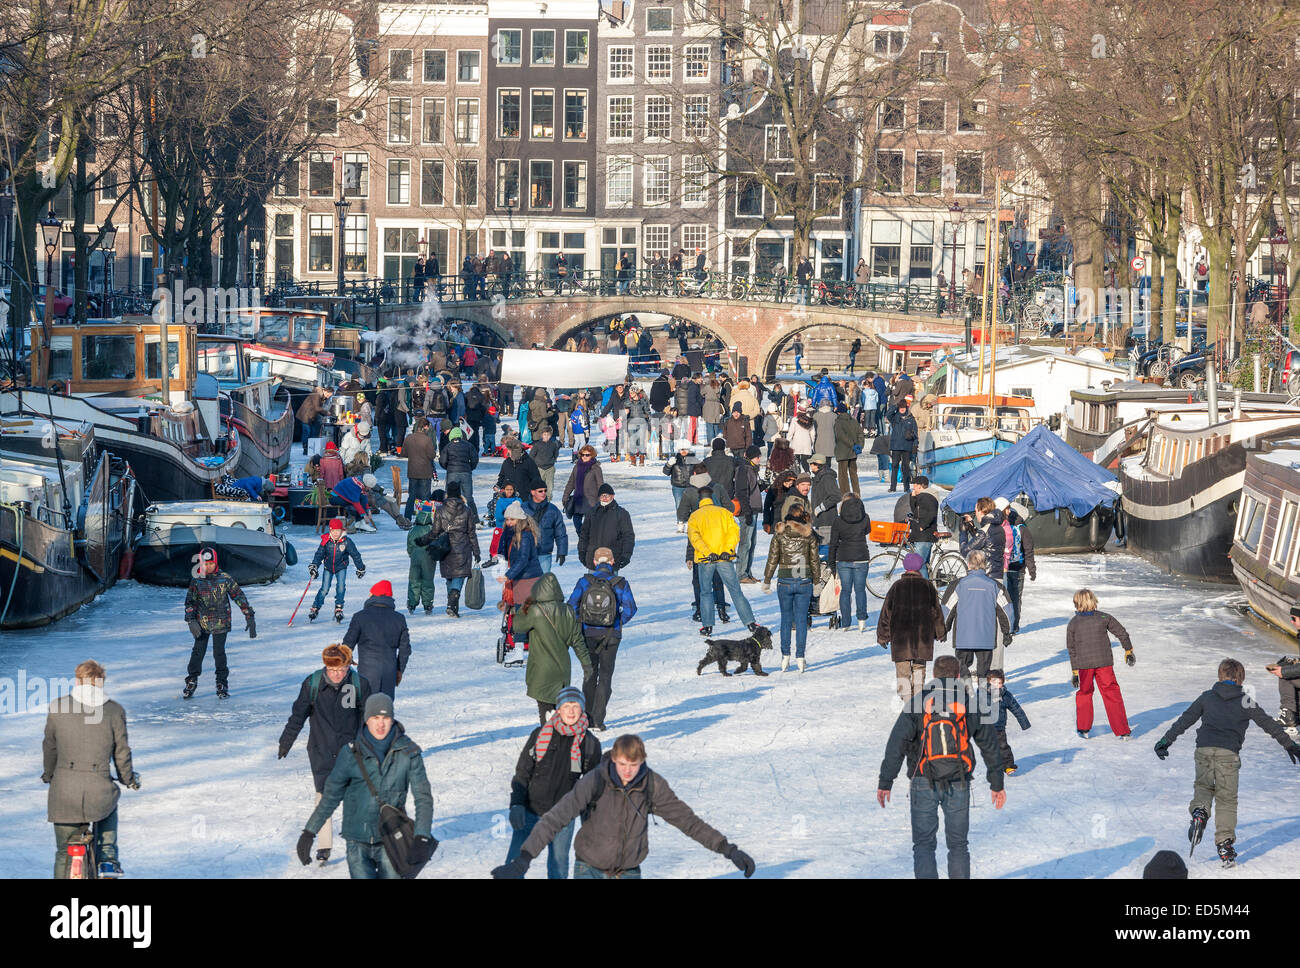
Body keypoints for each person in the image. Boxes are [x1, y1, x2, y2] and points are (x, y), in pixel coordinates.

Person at [492, 733, 755, 879]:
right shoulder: (595, 781)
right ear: (613, 759)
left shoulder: (651, 785)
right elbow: (555, 819)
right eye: (623, 764)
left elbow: (688, 821)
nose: (628, 771)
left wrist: (729, 850)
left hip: (629, 871)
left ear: (642, 761)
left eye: (634, 765)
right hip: (589, 869)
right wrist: (523, 860)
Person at [1156, 657, 1300, 867]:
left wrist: (1165, 740)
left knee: (1203, 787)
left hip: (1203, 750)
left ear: (1220, 676)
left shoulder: (1207, 697)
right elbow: (1269, 724)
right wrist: (1289, 745)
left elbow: (1185, 719)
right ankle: (1224, 844)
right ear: (1241, 679)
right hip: (1228, 756)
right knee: (1226, 800)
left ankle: (1199, 812)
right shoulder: (1245, 700)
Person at [876, 654, 1007, 880]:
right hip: (959, 780)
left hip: (922, 780)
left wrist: (885, 781)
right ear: (958, 675)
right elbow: (989, 745)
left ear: (934, 675)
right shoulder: (970, 703)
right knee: (958, 845)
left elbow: (896, 743)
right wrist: (997, 783)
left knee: (924, 845)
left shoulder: (918, 702)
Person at [298, 693, 435, 880]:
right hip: (357, 842)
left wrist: (422, 835)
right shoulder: (351, 752)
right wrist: (309, 831)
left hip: (392, 839)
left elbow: (423, 797)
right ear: (366, 719)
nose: (380, 724)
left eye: (386, 718)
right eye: (375, 718)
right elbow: (331, 795)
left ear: (392, 718)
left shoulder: (408, 752)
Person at [43, 660, 139, 878]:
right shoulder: (114, 710)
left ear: (77, 681)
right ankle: (107, 859)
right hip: (99, 788)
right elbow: (122, 752)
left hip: (64, 792)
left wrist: (49, 774)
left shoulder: (58, 707)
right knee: (109, 804)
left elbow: (50, 746)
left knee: (64, 852)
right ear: (100, 682)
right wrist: (128, 779)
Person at [278, 644, 371, 866]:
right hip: (320, 749)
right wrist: (286, 740)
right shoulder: (313, 684)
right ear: (326, 666)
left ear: (349, 666)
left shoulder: (359, 684)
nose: (337, 674)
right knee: (324, 795)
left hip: (351, 751)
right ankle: (324, 845)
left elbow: (371, 718)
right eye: (332, 670)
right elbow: (298, 715)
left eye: (342, 669)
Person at [504, 686, 602, 879]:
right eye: (567, 706)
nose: (572, 711)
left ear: (582, 709)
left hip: (563, 817)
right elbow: (523, 772)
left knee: (558, 868)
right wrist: (516, 803)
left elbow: (592, 788)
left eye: (576, 706)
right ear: (559, 709)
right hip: (530, 811)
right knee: (513, 866)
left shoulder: (589, 744)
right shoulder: (540, 734)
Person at [569, 547, 638, 730]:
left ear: (594, 562)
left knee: (589, 675)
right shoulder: (620, 582)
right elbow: (631, 609)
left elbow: (571, 606)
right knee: (606, 676)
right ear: (613, 561)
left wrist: (581, 622)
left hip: (588, 634)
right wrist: (617, 622)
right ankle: (599, 720)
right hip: (611, 636)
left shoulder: (584, 581)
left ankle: (587, 718)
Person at [514, 573, 594, 725]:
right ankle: (558, 738)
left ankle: (549, 742)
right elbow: (577, 641)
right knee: (558, 709)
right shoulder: (569, 611)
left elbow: (517, 626)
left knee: (545, 710)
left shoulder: (535, 611)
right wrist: (586, 664)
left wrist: (522, 608)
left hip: (541, 669)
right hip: (562, 668)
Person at [183, 546, 256, 699]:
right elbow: (190, 602)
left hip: (221, 622)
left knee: (219, 653)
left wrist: (249, 614)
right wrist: (191, 620)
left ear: (215, 563)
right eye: (205, 564)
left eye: (211, 563)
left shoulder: (225, 578)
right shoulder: (196, 580)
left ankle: (221, 683)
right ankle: (192, 680)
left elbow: (238, 596)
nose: (208, 566)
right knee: (198, 652)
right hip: (201, 623)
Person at [688, 485, 760, 637]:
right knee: (735, 591)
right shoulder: (724, 513)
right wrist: (727, 550)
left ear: (700, 499)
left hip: (706, 559)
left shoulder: (695, 516)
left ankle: (707, 626)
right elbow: (734, 532)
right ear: (712, 497)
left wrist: (708, 552)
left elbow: (695, 538)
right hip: (724, 558)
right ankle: (750, 623)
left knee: (706, 592)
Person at [877, 553, 947, 700]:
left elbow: (886, 613)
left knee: (902, 670)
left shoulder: (896, 587)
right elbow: (936, 612)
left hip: (901, 639)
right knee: (919, 669)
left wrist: (883, 636)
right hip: (922, 637)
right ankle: (918, 697)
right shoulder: (928, 587)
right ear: (919, 568)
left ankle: (907, 700)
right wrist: (940, 632)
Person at [1065, 588, 1134, 740]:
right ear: (1094, 601)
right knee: (1112, 693)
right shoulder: (1104, 617)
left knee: (1084, 693)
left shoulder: (1073, 623)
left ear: (1076, 603)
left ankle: (1083, 729)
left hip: (1084, 666)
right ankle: (1123, 730)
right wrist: (1128, 650)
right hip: (1104, 663)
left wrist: (1075, 672)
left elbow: (1072, 649)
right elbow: (1122, 632)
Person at [762, 504, 824, 672]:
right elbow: (814, 561)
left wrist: (767, 579)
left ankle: (785, 656)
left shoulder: (780, 535)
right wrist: (817, 582)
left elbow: (773, 558)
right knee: (802, 620)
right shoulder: (809, 536)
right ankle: (801, 657)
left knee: (786, 619)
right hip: (804, 580)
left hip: (785, 581)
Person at [944, 551, 1012, 688]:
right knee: (984, 673)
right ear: (985, 565)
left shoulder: (958, 585)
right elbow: (1006, 610)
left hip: (963, 637)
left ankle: (967, 695)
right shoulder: (995, 586)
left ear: (968, 564)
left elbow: (947, 609)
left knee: (961, 666)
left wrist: (943, 629)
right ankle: (983, 701)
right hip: (985, 638)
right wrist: (1007, 631)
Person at [415, 480, 480, 616]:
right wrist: (476, 552)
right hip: (462, 547)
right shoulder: (467, 510)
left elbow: (435, 532)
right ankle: (452, 601)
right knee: (459, 576)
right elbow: (471, 533)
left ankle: (451, 603)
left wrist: (423, 540)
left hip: (445, 547)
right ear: (459, 494)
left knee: (450, 575)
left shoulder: (440, 510)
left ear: (448, 494)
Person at [343, 580, 411, 698]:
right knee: (384, 710)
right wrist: (399, 670)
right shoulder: (399, 618)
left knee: (365, 708)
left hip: (366, 671)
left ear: (374, 595)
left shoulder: (360, 616)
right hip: (389, 672)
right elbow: (405, 649)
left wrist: (347, 660)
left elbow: (348, 644)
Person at [828, 493, 873, 632]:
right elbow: (868, 531)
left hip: (843, 557)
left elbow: (833, 543)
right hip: (861, 556)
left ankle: (846, 622)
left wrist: (832, 563)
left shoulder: (838, 520)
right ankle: (861, 620)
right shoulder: (865, 517)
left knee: (845, 591)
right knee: (860, 590)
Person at [309, 518, 366, 623]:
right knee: (324, 589)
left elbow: (355, 555)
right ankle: (315, 607)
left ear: (341, 530)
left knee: (340, 587)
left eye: (338, 531)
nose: (335, 533)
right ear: (330, 531)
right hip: (328, 568)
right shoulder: (326, 541)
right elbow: (319, 554)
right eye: (333, 531)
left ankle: (339, 607)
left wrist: (360, 568)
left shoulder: (347, 542)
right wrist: (314, 566)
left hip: (341, 567)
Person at [981, 669, 1030, 775]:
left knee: (1003, 746)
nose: (996, 685)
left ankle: (1008, 766)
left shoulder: (1006, 695)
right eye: (994, 682)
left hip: (999, 727)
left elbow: (1016, 709)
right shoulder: (982, 694)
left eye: (999, 683)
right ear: (988, 682)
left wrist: (1024, 723)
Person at [578, 483, 635, 572]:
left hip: (612, 560)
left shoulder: (622, 514)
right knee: (592, 585)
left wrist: (626, 555)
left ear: (612, 496)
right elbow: (584, 535)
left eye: (607, 495)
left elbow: (628, 536)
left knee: (611, 585)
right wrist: (582, 552)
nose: (604, 497)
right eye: (602, 495)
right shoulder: (591, 513)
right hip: (593, 560)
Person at [733, 445, 764, 583]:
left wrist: (763, 486)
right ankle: (741, 574)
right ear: (751, 457)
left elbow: (752, 489)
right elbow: (741, 492)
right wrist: (746, 511)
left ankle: (747, 571)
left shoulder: (752, 469)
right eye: (758, 456)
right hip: (748, 510)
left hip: (753, 509)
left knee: (752, 542)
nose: (760, 459)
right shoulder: (744, 469)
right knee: (745, 542)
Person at [1003, 504, 1036, 634]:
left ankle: (1004, 625)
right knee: (1016, 599)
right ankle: (1014, 627)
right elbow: (1029, 551)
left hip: (1004, 568)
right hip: (1018, 569)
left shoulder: (1004, 527)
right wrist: (1032, 571)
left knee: (1004, 598)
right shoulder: (1023, 529)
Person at [439, 427, 480, 524]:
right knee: (469, 497)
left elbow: (442, 461)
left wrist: (449, 468)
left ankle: (447, 519)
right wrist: (470, 468)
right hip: (466, 473)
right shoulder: (469, 445)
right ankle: (475, 520)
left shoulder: (448, 446)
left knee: (449, 497)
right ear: (461, 436)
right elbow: (475, 459)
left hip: (452, 473)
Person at [562, 444, 604, 536]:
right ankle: (582, 537)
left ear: (592, 456)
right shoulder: (577, 467)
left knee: (590, 524)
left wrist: (602, 501)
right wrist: (565, 497)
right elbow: (571, 483)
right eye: (582, 455)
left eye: (587, 455)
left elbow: (601, 485)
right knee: (576, 521)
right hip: (579, 499)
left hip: (591, 500)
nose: (584, 457)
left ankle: (588, 540)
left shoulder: (596, 468)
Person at [525, 483, 568, 573]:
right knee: (528, 585)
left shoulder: (553, 509)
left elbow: (560, 532)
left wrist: (562, 551)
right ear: (533, 492)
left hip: (544, 554)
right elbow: (513, 531)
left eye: (545, 490)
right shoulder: (523, 508)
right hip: (526, 554)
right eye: (540, 491)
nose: (543, 493)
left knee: (543, 584)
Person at [401, 417, 438, 519]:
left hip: (412, 471)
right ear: (425, 427)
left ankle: (407, 518)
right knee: (425, 497)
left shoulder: (409, 437)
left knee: (411, 496)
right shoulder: (427, 440)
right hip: (425, 471)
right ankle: (424, 518)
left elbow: (403, 453)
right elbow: (432, 455)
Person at [807, 454, 841, 555]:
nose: (810, 465)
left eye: (811, 463)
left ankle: (828, 569)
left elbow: (836, 496)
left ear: (817, 465)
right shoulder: (819, 476)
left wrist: (820, 508)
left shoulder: (827, 478)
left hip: (827, 521)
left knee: (825, 550)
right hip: (820, 520)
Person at [908, 477, 940, 577]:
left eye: (914, 485)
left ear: (920, 486)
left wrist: (922, 526)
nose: (913, 487)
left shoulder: (927, 496)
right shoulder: (923, 496)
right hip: (924, 535)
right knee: (923, 564)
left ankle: (925, 589)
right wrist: (913, 498)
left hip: (924, 535)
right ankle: (928, 587)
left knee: (919, 564)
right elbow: (916, 511)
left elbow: (932, 513)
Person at [832, 402, 864, 495]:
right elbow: (860, 434)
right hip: (853, 452)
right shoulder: (854, 421)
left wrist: (852, 445)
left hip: (843, 452)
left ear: (838, 412)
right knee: (854, 474)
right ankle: (857, 494)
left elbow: (841, 436)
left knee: (843, 476)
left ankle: (845, 495)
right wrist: (859, 446)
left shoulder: (838, 422)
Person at [886, 401, 918, 492]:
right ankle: (893, 487)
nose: (902, 409)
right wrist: (895, 405)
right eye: (900, 407)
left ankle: (906, 487)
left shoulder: (911, 419)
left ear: (906, 408)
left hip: (907, 446)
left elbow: (915, 433)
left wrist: (915, 445)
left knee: (906, 468)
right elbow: (888, 413)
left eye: (903, 407)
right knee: (894, 466)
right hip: (896, 446)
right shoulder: (894, 417)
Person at [296, 386, 333, 455]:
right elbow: (317, 408)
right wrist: (326, 413)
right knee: (307, 432)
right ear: (325, 391)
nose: (328, 397)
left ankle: (310, 448)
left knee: (312, 432)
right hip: (306, 415)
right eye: (328, 395)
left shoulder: (322, 396)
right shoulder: (317, 395)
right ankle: (305, 449)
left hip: (311, 416)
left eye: (329, 396)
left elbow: (317, 409)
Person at [663, 444, 694, 522]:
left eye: (685, 449)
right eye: (681, 449)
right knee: (679, 505)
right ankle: (680, 522)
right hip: (677, 487)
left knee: (692, 505)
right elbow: (666, 472)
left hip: (690, 487)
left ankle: (691, 523)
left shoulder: (693, 460)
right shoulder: (674, 460)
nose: (683, 451)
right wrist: (669, 464)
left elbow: (700, 471)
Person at [530, 425, 560, 496]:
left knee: (549, 487)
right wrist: (535, 465)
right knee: (539, 487)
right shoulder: (537, 445)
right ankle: (538, 502)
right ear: (542, 435)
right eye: (544, 434)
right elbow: (531, 455)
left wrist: (553, 460)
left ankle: (548, 501)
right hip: (539, 468)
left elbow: (556, 454)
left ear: (550, 435)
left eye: (548, 435)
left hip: (550, 468)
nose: (546, 436)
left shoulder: (553, 444)